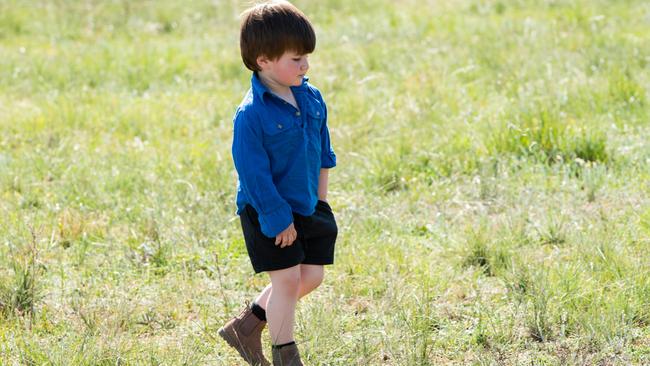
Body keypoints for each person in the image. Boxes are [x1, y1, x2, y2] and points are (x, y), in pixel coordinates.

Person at [218, 1, 338, 365]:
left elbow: (323, 153)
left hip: (306, 204)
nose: (306, 65)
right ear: (263, 60)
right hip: (267, 210)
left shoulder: (311, 97)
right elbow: (253, 175)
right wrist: (277, 219)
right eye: (296, 59)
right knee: (286, 281)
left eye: (306, 57)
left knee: (311, 276)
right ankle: (285, 353)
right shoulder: (251, 114)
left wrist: (320, 203)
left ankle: (248, 324)